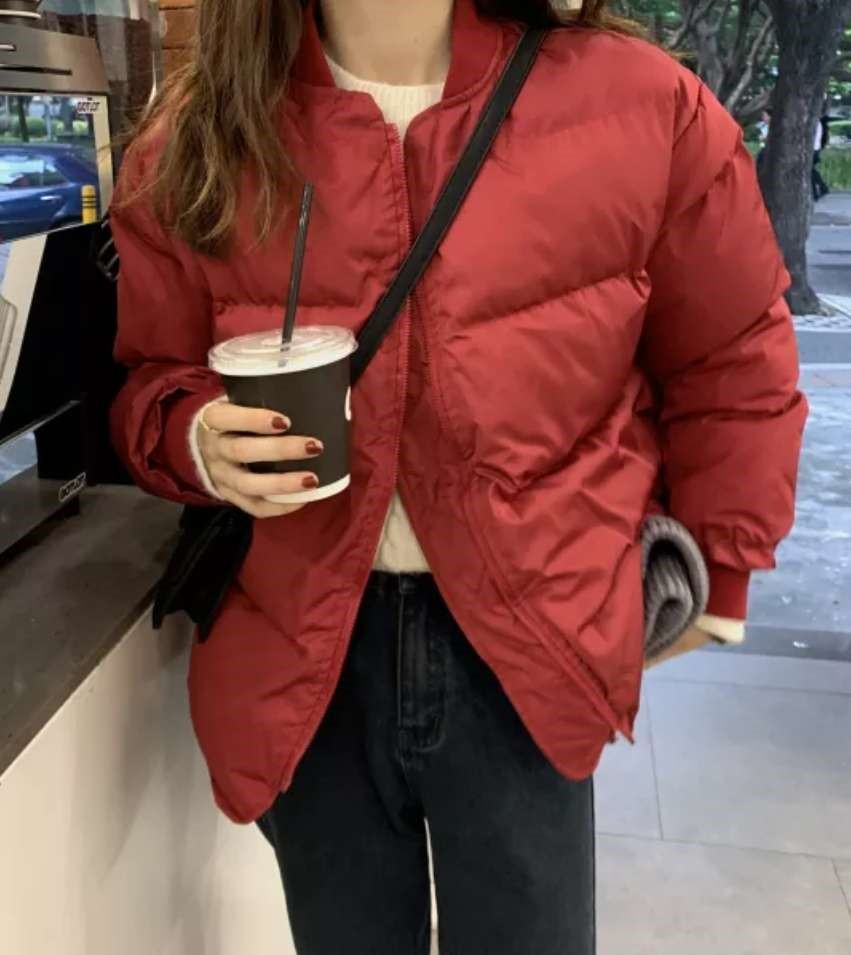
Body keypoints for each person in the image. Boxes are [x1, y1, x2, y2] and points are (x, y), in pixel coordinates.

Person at [109, 1, 807, 952]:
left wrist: (721, 572)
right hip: (304, 649)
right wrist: (197, 436)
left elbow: (730, 355)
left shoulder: (639, 105)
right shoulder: (199, 137)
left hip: (530, 634)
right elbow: (152, 375)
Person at [813, 110, 830, 201]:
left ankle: (822, 188)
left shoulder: (815, 123)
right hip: (815, 149)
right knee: (810, 171)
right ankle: (816, 192)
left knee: (810, 171)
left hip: (813, 149)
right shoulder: (818, 123)